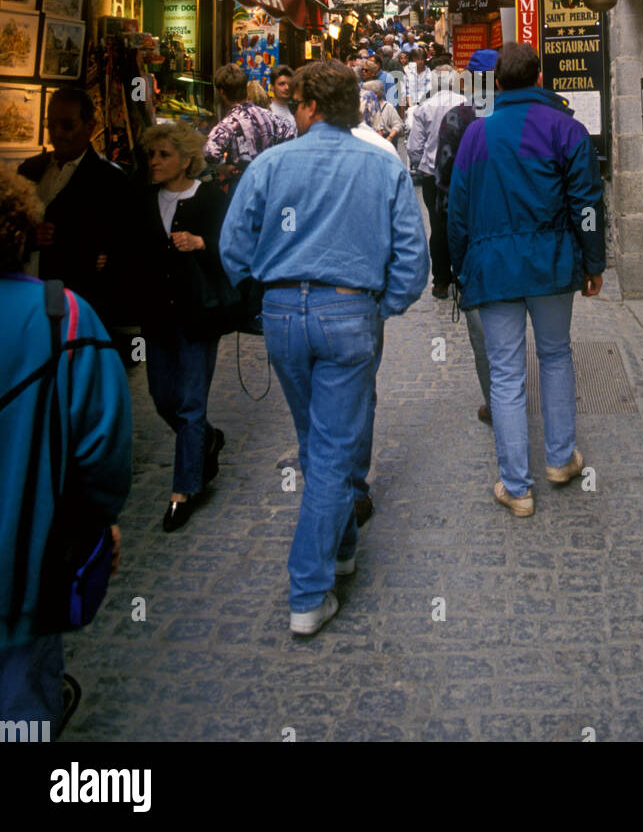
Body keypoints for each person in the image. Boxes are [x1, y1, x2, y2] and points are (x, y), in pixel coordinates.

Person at [219, 61, 429, 637]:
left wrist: (262, 297)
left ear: (308, 106)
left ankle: (341, 552)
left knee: (318, 442)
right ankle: (309, 591)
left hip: (285, 314)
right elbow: (413, 260)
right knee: (332, 449)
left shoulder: (270, 164)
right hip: (348, 311)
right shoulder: (382, 167)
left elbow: (233, 246)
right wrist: (380, 308)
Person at [447, 42, 605, 518]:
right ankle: (560, 459)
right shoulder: (567, 129)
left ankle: (517, 487)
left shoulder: (477, 136)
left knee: (507, 373)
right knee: (555, 355)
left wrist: (459, 266)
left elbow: (456, 211)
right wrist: (593, 262)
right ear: (539, 77)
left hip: (494, 269)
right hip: (551, 263)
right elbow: (588, 205)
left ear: (497, 83)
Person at [0, 170, 131, 738]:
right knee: (22, 707)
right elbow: (101, 445)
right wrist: (97, 522)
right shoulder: (63, 315)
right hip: (22, 565)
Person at [139, 122, 234, 532]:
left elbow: (231, 250)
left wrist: (201, 244)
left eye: (163, 155)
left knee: (191, 402)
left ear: (185, 159)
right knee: (164, 398)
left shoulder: (210, 198)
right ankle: (206, 440)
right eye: (151, 155)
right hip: (158, 314)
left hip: (198, 314)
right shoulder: (144, 199)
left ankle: (184, 490)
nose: (154, 163)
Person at [18, 88, 139, 361]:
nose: (58, 133)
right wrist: (29, 237)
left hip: (79, 307)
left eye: (67, 125)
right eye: (52, 124)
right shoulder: (29, 170)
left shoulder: (111, 181)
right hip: (28, 300)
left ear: (89, 127)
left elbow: (125, 250)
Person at [434, 49, 499, 423]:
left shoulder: (458, 119)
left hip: (476, 240)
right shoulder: (514, 116)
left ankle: (496, 400)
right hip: (521, 235)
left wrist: (453, 257)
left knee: (486, 335)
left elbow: (445, 186)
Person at [407, 65, 467, 298]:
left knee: (438, 226)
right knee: (462, 223)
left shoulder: (424, 108)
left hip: (433, 177)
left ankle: (440, 280)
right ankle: (462, 275)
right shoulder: (465, 104)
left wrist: (424, 164)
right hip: (461, 175)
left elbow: (413, 148)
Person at [204, 63, 295, 191]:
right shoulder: (269, 116)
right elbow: (290, 133)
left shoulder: (228, 123)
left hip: (242, 186)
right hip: (269, 184)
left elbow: (209, 152)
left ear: (222, 93)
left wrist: (223, 167)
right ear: (245, 89)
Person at [362, 79, 404, 151]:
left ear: (376, 94)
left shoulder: (388, 107)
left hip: (386, 140)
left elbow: (398, 125)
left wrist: (389, 138)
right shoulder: (365, 107)